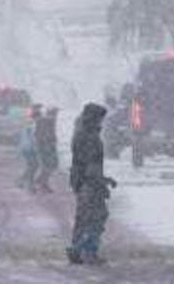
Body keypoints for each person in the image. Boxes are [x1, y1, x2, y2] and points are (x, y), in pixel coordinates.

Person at [67, 102, 116, 265]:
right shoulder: (90, 137)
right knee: (97, 217)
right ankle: (85, 250)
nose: (101, 122)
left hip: (81, 181)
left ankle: (77, 248)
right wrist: (101, 183)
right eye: (100, 119)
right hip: (89, 183)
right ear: (94, 118)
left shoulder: (81, 133)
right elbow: (91, 165)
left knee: (84, 217)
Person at [35, 106, 59, 193]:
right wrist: (48, 146)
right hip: (46, 147)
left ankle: (41, 181)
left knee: (50, 165)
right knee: (49, 165)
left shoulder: (44, 121)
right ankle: (42, 183)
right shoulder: (48, 122)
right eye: (55, 113)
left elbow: (38, 135)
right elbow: (45, 136)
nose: (56, 115)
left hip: (45, 146)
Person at [17, 106, 41, 191]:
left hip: (25, 147)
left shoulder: (28, 123)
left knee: (32, 165)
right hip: (30, 148)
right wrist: (37, 147)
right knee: (33, 165)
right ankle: (29, 185)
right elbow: (34, 137)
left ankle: (22, 181)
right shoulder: (34, 125)